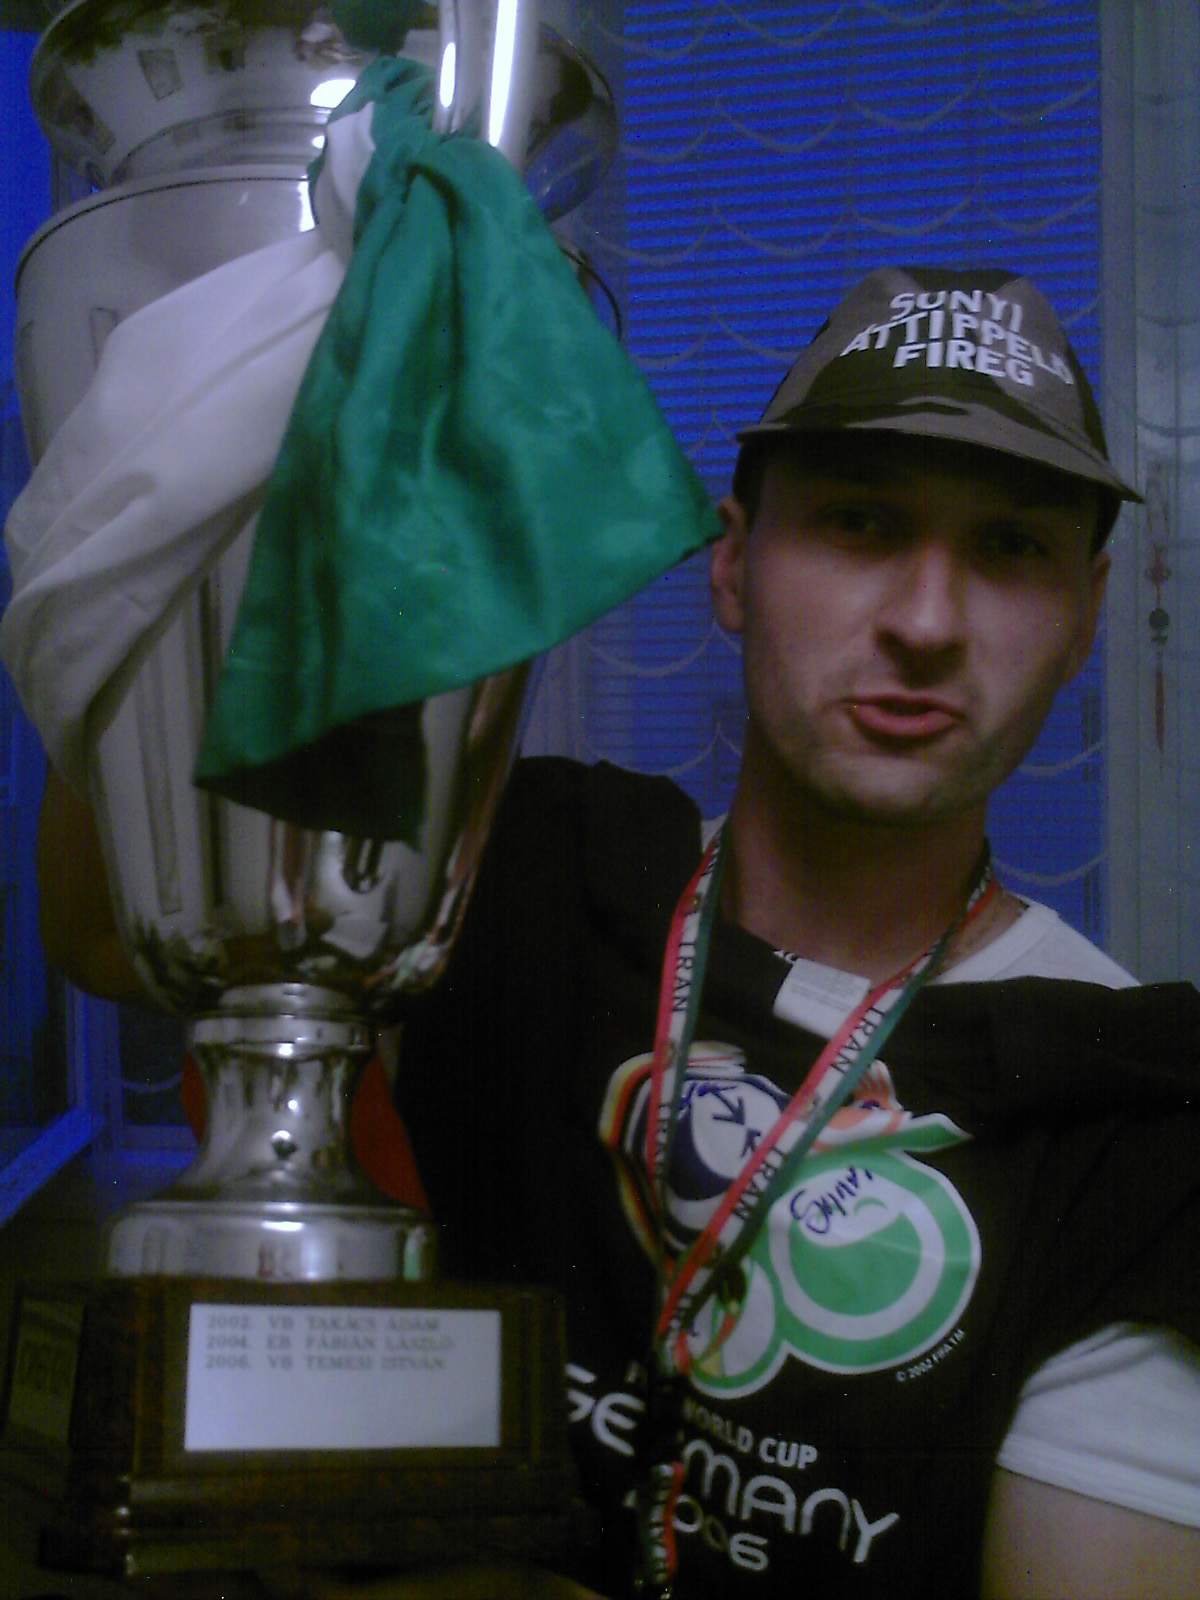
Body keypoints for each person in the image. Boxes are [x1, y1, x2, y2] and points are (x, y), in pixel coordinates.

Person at [34, 267, 1200, 1600]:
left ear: (1085, 615)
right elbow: (104, 929)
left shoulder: (1130, 1112)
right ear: (732, 564)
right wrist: (184, 504)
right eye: (861, 523)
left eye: (1010, 550)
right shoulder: (526, 862)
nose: (926, 622)